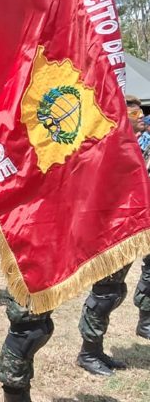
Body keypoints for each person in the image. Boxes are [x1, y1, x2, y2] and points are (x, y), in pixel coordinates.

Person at [74, 94, 150, 377]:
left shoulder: (135, 147)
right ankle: (88, 352)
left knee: (115, 291)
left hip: (130, 226)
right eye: (134, 115)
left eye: (141, 113)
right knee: (104, 293)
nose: (141, 118)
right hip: (111, 229)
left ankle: (96, 349)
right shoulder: (108, 147)